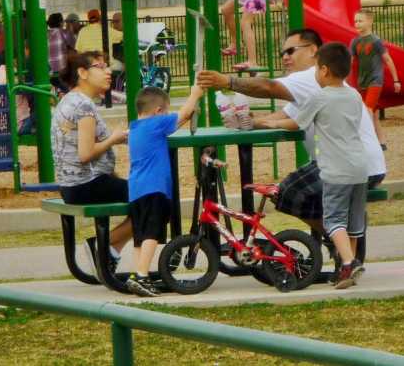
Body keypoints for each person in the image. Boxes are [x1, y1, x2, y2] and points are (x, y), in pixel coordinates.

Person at [199, 28, 386, 233]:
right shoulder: (317, 83)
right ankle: (343, 244)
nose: (285, 57)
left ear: (313, 50)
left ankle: (339, 244)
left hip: (345, 163)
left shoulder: (309, 76)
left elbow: (269, 87)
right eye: (282, 53)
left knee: (290, 192)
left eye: (291, 51)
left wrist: (228, 82)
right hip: (363, 162)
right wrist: (250, 120)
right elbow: (286, 116)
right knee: (298, 195)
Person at [268, 43, 367, 289]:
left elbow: (297, 122)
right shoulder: (354, 94)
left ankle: (349, 262)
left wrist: (268, 124)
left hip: (336, 169)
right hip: (360, 167)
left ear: (323, 70)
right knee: (353, 222)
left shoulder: (320, 97)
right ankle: (348, 267)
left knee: (333, 220)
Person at [51, 50, 132, 273]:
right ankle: (103, 246)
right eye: (100, 66)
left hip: (73, 185)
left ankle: (110, 250)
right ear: (82, 73)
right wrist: (114, 138)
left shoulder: (71, 100)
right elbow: (85, 154)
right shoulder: (83, 106)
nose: (108, 71)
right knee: (155, 199)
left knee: (149, 197)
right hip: (88, 185)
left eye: (107, 66)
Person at [126, 79, 203, 297]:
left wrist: (184, 116)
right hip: (155, 188)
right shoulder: (155, 124)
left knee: (140, 235)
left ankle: (137, 273)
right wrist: (195, 94)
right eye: (165, 111)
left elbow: (175, 123)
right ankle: (142, 274)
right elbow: (182, 114)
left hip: (137, 189)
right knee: (152, 231)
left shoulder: (136, 127)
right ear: (158, 111)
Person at [351, 9, 400, 149]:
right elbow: (350, 61)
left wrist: (396, 81)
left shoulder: (376, 41)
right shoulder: (355, 42)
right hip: (362, 82)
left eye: (360, 21)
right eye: (355, 21)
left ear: (370, 22)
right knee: (374, 114)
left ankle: (368, 142)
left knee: (367, 111)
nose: (357, 23)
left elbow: (388, 60)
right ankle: (382, 142)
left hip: (375, 80)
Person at [47, 12, 69, 88]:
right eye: (63, 21)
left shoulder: (45, 33)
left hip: (48, 71)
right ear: (60, 23)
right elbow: (75, 46)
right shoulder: (63, 33)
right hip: (61, 71)